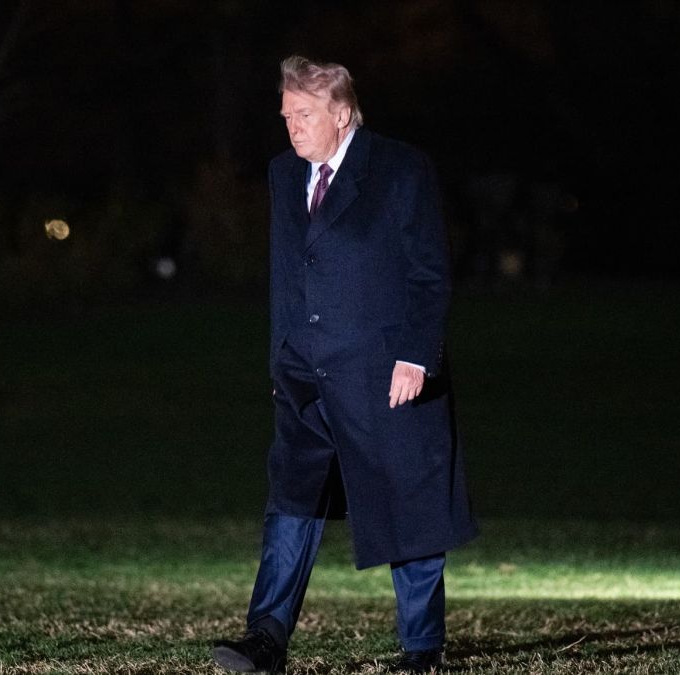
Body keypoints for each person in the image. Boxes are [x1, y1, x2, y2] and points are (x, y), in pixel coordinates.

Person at [211, 55, 478, 673]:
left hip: (385, 375)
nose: (293, 127)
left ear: (342, 113)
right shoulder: (284, 174)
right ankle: (265, 638)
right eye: (286, 116)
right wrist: (281, 358)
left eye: (304, 115)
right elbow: (289, 274)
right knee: (291, 502)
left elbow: (429, 272)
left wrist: (416, 356)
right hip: (304, 376)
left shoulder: (400, 169)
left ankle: (422, 648)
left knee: (408, 506)